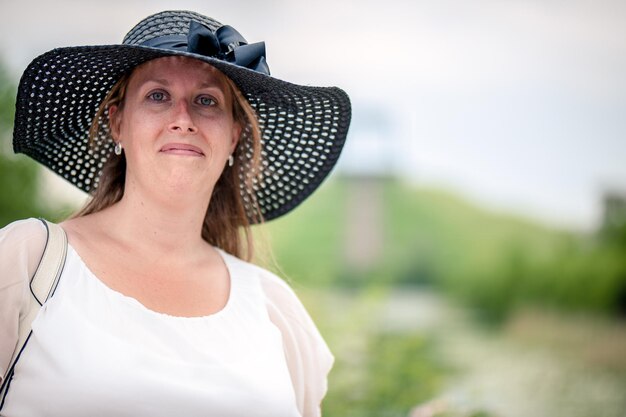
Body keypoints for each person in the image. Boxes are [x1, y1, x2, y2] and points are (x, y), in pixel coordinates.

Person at [0, 10, 351, 417]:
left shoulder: (275, 310)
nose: (182, 119)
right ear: (118, 123)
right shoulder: (27, 262)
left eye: (206, 100)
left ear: (233, 136)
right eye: (157, 96)